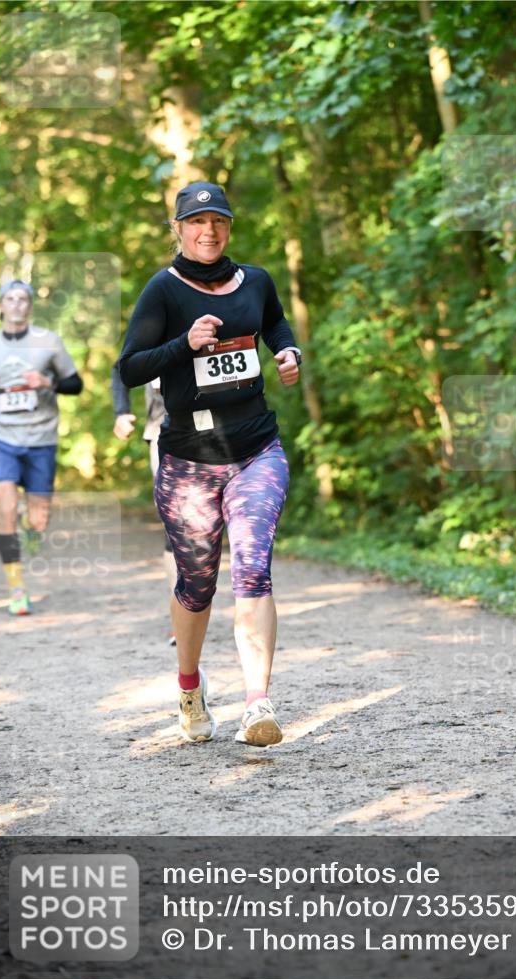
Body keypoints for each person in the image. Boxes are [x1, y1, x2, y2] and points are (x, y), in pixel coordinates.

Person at [118, 181, 301, 747]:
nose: (208, 231)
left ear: (229, 226)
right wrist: (184, 345)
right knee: (197, 584)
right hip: (188, 462)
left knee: (252, 565)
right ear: (177, 229)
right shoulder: (163, 291)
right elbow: (129, 367)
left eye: (218, 221)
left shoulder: (258, 280)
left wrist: (286, 350)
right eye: (196, 223)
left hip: (256, 449)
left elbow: (273, 323)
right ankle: (190, 689)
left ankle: (257, 704)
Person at [0, 279, 83, 615]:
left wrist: (48, 382)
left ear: (30, 305)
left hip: (41, 438)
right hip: (0, 436)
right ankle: (16, 588)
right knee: (5, 508)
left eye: (23, 299)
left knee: (38, 521)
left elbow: (76, 384)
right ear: (0, 305)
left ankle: (27, 525)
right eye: (10, 299)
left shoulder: (48, 342)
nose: (17, 304)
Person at [111, 364, 178, 643]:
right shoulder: (151, 323)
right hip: (164, 428)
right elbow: (121, 367)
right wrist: (122, 410)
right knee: (175, 523)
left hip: (220, 427)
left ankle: (248, 606)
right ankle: (182, 612)